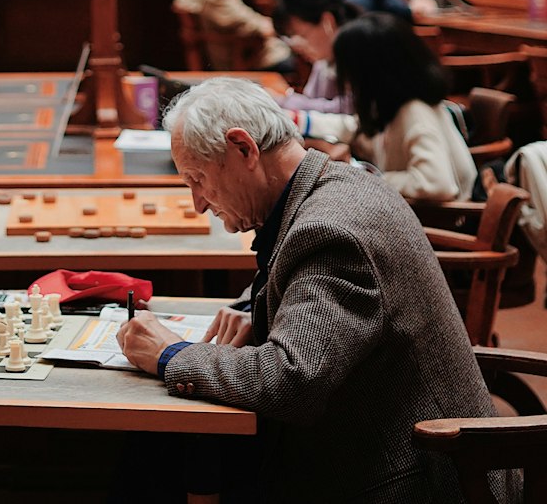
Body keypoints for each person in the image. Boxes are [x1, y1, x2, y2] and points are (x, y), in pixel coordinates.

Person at [116, 77, 508, 504]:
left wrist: (170, 354)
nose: (198, 202)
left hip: (410, 480)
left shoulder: (332, 230)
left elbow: (290, 380)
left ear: (243, 149)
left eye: (198, 179)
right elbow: (310, 286)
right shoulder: (332, 185)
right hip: (383, 451)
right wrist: (256, 307)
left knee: (156, 466)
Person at [332, 12, 476, 202]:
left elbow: (437, 184)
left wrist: (369, 175)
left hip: (443, 223)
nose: (345, 79)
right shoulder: (392, 105)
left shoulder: (415, 112)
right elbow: (361, 132)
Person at [274, 0, 357, 115]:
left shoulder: (359, 47)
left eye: (303, 36)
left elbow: (351, 108)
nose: (298, 46)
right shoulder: (323, 58)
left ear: (327, 21)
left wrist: (287, 102)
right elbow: (310, 99)